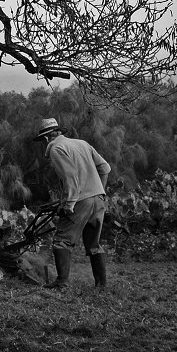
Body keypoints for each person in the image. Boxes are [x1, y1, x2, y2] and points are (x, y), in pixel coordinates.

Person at [34, 117, 110, 289]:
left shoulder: (56, 148)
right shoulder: (82, 144)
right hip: (98, 199)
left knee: (62, 240)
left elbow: (71, 177)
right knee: (94, 244)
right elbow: (105, 168)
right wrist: (101, 192)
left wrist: (69, 205)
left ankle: (62, 283)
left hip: (80, 201)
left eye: (42, 141)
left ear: (46, 137)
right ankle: (101, 286)